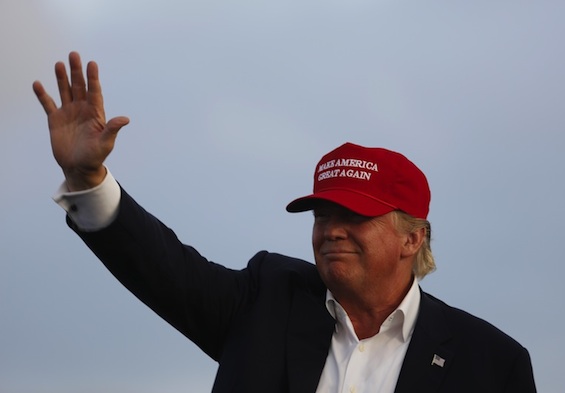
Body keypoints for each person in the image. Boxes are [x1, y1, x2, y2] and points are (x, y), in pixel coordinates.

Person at [34, 52, 538, 392]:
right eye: (322, 213)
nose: (332, 229)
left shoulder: (491, 363)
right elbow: (161, 267)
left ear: (413, 238)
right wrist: (88, 177)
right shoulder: (265, 300)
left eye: (355, 215)